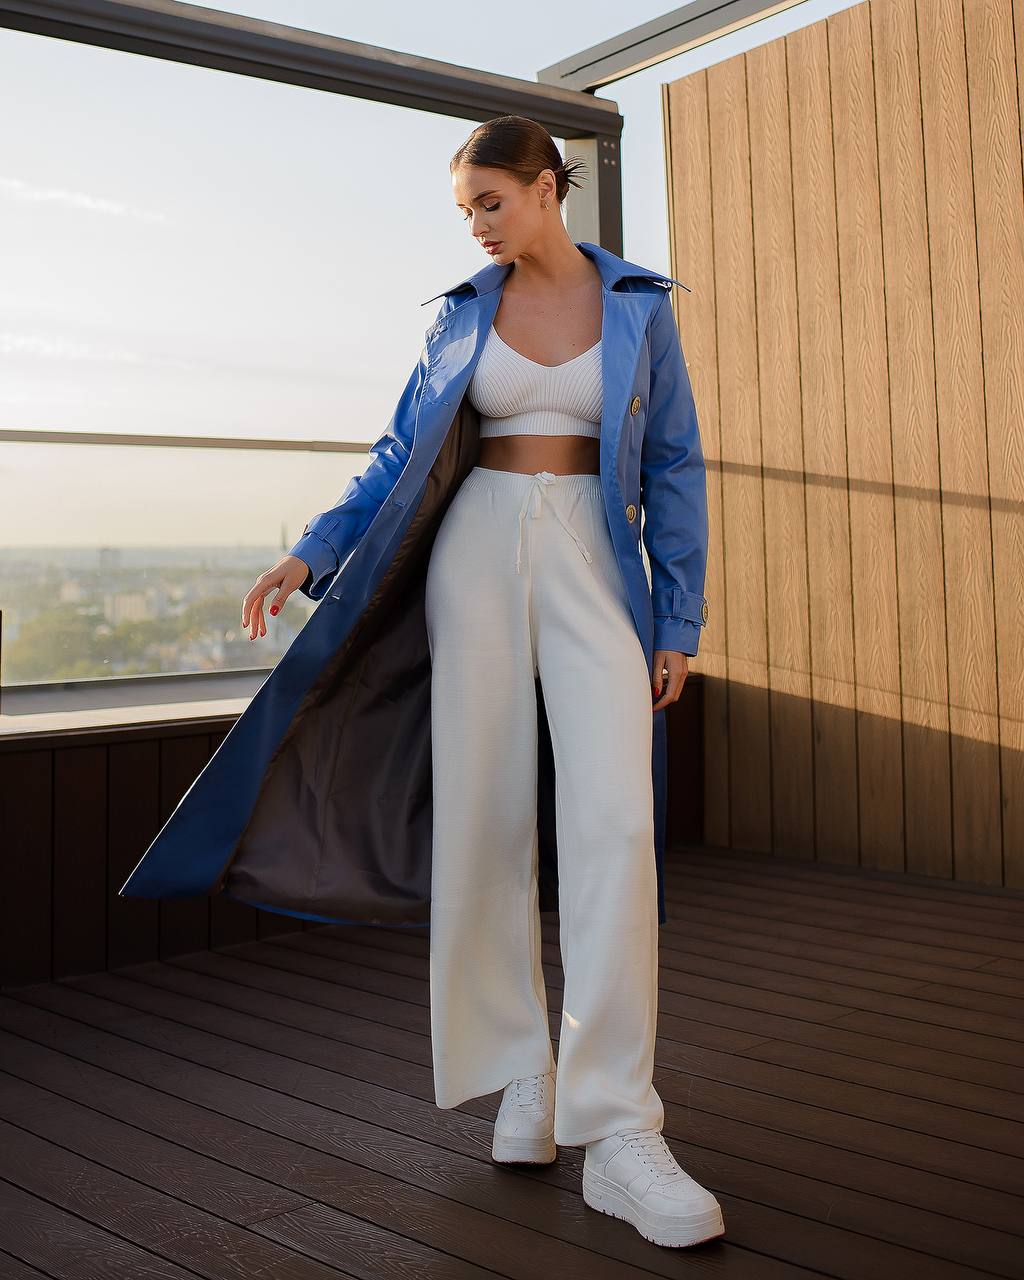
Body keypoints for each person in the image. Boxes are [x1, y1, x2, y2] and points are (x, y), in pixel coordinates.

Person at [241, 115, 723, 1250]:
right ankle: (523, 1072)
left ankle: (620, 1127)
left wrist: (679, 617)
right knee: (486, 822)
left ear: (549, 187)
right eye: (464, 211)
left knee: (615, 826)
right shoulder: (460, 313)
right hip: (473, 556)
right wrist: (312, 548)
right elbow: (396, 453)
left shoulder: (640, 305)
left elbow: (674, 464)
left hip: (597, 559)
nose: (476, 226)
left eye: (490, 202)